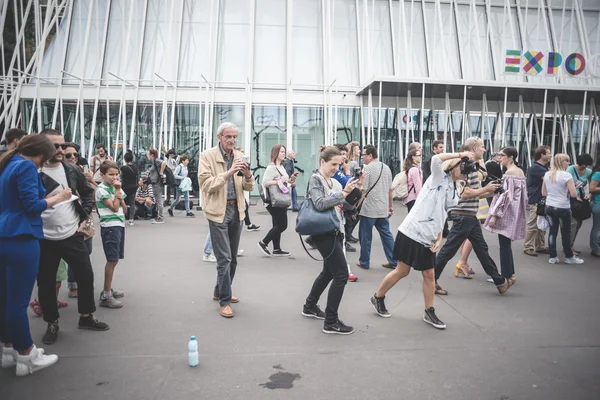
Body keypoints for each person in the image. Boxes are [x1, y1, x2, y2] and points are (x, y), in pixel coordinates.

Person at [370, 150, 475, 329]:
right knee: (402, 271)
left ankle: (429, 311)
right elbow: (435, 159)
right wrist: (460, 154)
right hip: (412, 232)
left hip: (429, 236)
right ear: (455, 166)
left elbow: (443, 213)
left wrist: (439, 236)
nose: (466, 172)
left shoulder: (455, 187)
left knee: (429, 274)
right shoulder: (437, 178)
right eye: (464, 168)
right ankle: (378, 297)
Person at [0, 134, 68, 376]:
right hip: (23, 237)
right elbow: (32, 206)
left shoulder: (8, 164)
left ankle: (9, 348)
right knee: (18, 303)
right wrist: (57, 198)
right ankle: (27, 354)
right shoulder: (27, 166)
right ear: (40, 154)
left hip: (4, 235)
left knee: (6, 299)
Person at [37, 129, 109, 345]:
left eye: (62, 145)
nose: (60, 150)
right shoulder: (34, 172)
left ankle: (86, 316)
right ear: (42, 147)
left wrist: (84, 215)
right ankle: (52, 322)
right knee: (46, 283)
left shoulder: (70, 170)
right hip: (44, 238)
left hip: (72, 234)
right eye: (55, 146)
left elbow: (87, 193)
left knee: (85, 276)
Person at [433, 137, 513, 295]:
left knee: (482, 249)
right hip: (464, 215)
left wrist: (491, 191)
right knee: (448, 250)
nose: (484, 150)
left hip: (469, 216)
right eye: (482, 147)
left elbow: (473, 194)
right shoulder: (466, 167)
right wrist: (486, 190)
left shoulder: (474, 167)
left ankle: (500, 282)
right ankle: (431, 280)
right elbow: (465, 193)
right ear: (474, 148)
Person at [301, 146, 362, 335]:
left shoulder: (334, 182)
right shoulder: (316, 179)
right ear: (322, 162)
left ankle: (309, 306)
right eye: (332, 164)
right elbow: (319, 204)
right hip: (323, 232)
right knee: (341, 274)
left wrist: (354, 192)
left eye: (339, 164)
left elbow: (346, 206)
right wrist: (343, 194)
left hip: (335, 229)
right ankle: (331, 321)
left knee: (328, 272)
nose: (336, 167)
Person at [198, 122, 254, 318]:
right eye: (228, 136)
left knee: (233, 259)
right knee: (224, 259)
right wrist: (229, 172)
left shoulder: (239, 156)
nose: (232, 140)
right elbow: (206, 185)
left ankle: (219, 290)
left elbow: (248, 188)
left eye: (234, 137)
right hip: (217, 211)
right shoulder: (207, 157)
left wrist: (247, 175)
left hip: (236, 210)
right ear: (219, 137)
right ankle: (224, 300)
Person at [484, 148, 528, 282]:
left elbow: (504, 197)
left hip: (506, 212)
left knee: (504, 244)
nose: (500, 157)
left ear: (511, 157)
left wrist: (494, 215)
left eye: (502, 155)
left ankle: (506, 275)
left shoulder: (510, 173)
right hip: (515, 211)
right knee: (505, 243)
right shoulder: (519, 171)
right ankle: (509, 273)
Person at [356, 145, 397, 270]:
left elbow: (364, 189)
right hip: (383, 207)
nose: (362, 157)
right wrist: (390, 206)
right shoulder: (386, 168)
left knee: (365, 236)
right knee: (387, 235)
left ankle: (364, 261)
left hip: (369, 208)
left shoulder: (367, 169)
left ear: (370, 155)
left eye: (363, 155)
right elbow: (390, 190)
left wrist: (357, 205)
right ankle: (394, 260)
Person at [96, 160, 128, 308]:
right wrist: (116, 193)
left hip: (119, 225)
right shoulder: (101, 190)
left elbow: (124, 209)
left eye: (116, 174)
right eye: (111, 175)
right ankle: (106, 294)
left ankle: (108, 289)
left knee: (115, 259)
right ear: (102, 175)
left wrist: (119, 193)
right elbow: (114, 208)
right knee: (112, 259)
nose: (114, 178)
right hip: (110, 226)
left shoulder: (116, 189)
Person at [542, 154, 584, 265]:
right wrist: (574, 186)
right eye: (567, 161)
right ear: (562, 162)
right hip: (563, 207)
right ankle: (569, 256)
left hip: (549, 206)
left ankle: (553, 257)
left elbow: (543, 193)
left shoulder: (547, 174)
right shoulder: (567, 176)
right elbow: (574, 194)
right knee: (566, 233)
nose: (569, 163)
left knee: (552, 232)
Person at [258, 144, 295, 257]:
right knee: (282, 225)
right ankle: (263, 242)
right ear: (276, 154)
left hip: (280, 199)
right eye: (282, 152)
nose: (284, 154)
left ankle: (277, 249)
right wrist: (279, 181)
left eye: (284, 152)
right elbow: (265, 183)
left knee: (276, 224)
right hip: (274, 200)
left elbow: (284, 181)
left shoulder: (281, 167)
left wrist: (290, 181)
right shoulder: (272, 167)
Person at [524, 146, 551, 257]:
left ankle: (540, 245)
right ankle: (528, 246)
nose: (550, 155)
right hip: (536, 199)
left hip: (541, 199)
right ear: (542, 155)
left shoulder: (543, 167)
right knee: (533, 224)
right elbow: (550, 179)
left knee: (541, 224)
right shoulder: (537, 168)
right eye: (549, 153)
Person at [566, 154, 593, 253]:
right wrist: (575, 195)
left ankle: (571, 246)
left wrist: (589, 194)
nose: (584, 167)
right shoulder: (570, 169)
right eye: (583, 165)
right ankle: (568, 247)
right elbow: (566, 184)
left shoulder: (589, 172)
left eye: (586, 165)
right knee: (574, 223)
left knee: (579, 224)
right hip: (570, 199)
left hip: (580, 200)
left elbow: (593, 185)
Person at [146, 148, 166, 224]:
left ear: (152, 155)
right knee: (158, 200)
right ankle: (159, 216)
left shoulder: (156, 160)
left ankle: (160, 217)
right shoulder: (154, 162)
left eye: (148, 154)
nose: (147, 156)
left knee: (159, 200)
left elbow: (164, 162)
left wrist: (161, 172)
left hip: (157, 183)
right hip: (155, 183)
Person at [120, 150, 139, 226]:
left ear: (125, 159)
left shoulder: (123, 168)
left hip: (125, 187)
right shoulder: (135, 167)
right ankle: (131, 219)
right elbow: (137, 176)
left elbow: (121, 176)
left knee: (122, 202)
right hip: (133, 187)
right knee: (132, 203)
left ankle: (122, 217)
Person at [589, 156, 600, 257]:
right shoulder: (597, 174)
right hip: (598, 203)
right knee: (597, 227)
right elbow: (591, 188)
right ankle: (595, 248)